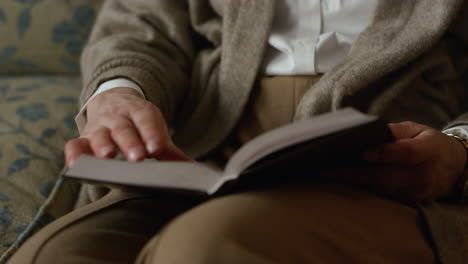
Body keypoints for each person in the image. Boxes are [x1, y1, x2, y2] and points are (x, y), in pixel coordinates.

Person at [7, 0, 468, 263]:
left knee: (204, 249)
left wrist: (459, 148)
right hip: (201, 158)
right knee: (58, 256)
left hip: (389, 178)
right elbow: (140, 24)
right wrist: (117, 95)